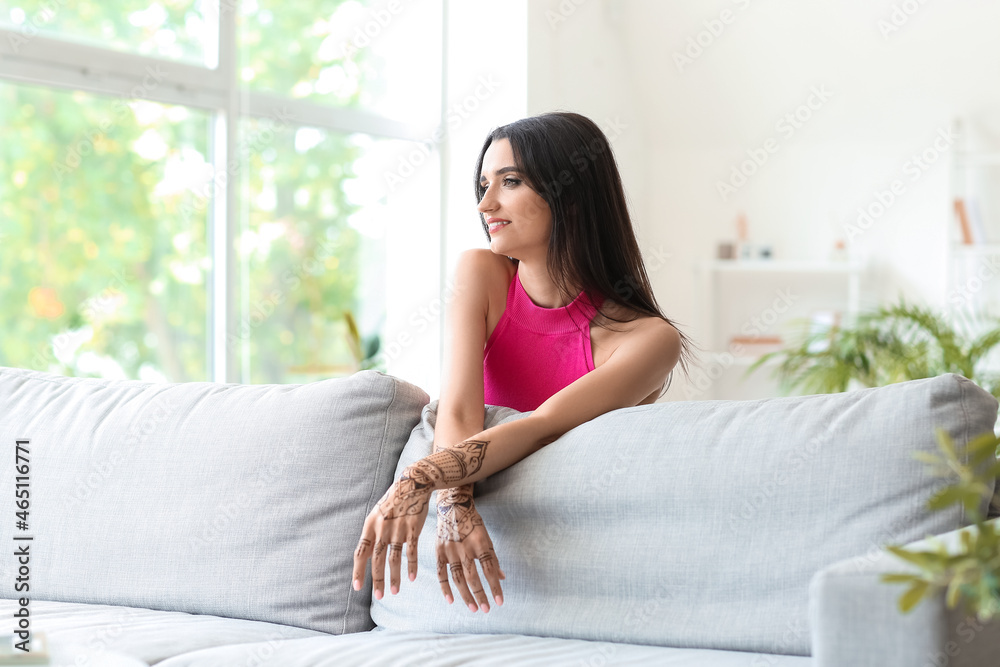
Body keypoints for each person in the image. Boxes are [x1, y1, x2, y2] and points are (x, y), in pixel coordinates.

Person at [352, 111, 693, 616]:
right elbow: (461, 408)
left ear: (571, 195)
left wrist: (419, 479)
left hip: (577, 554)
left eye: (510, 182)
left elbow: (543, 425)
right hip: (485, 543)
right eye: (484, 184)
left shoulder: (648, 340)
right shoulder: (482, 272)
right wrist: (454, 503)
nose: (486, 203)